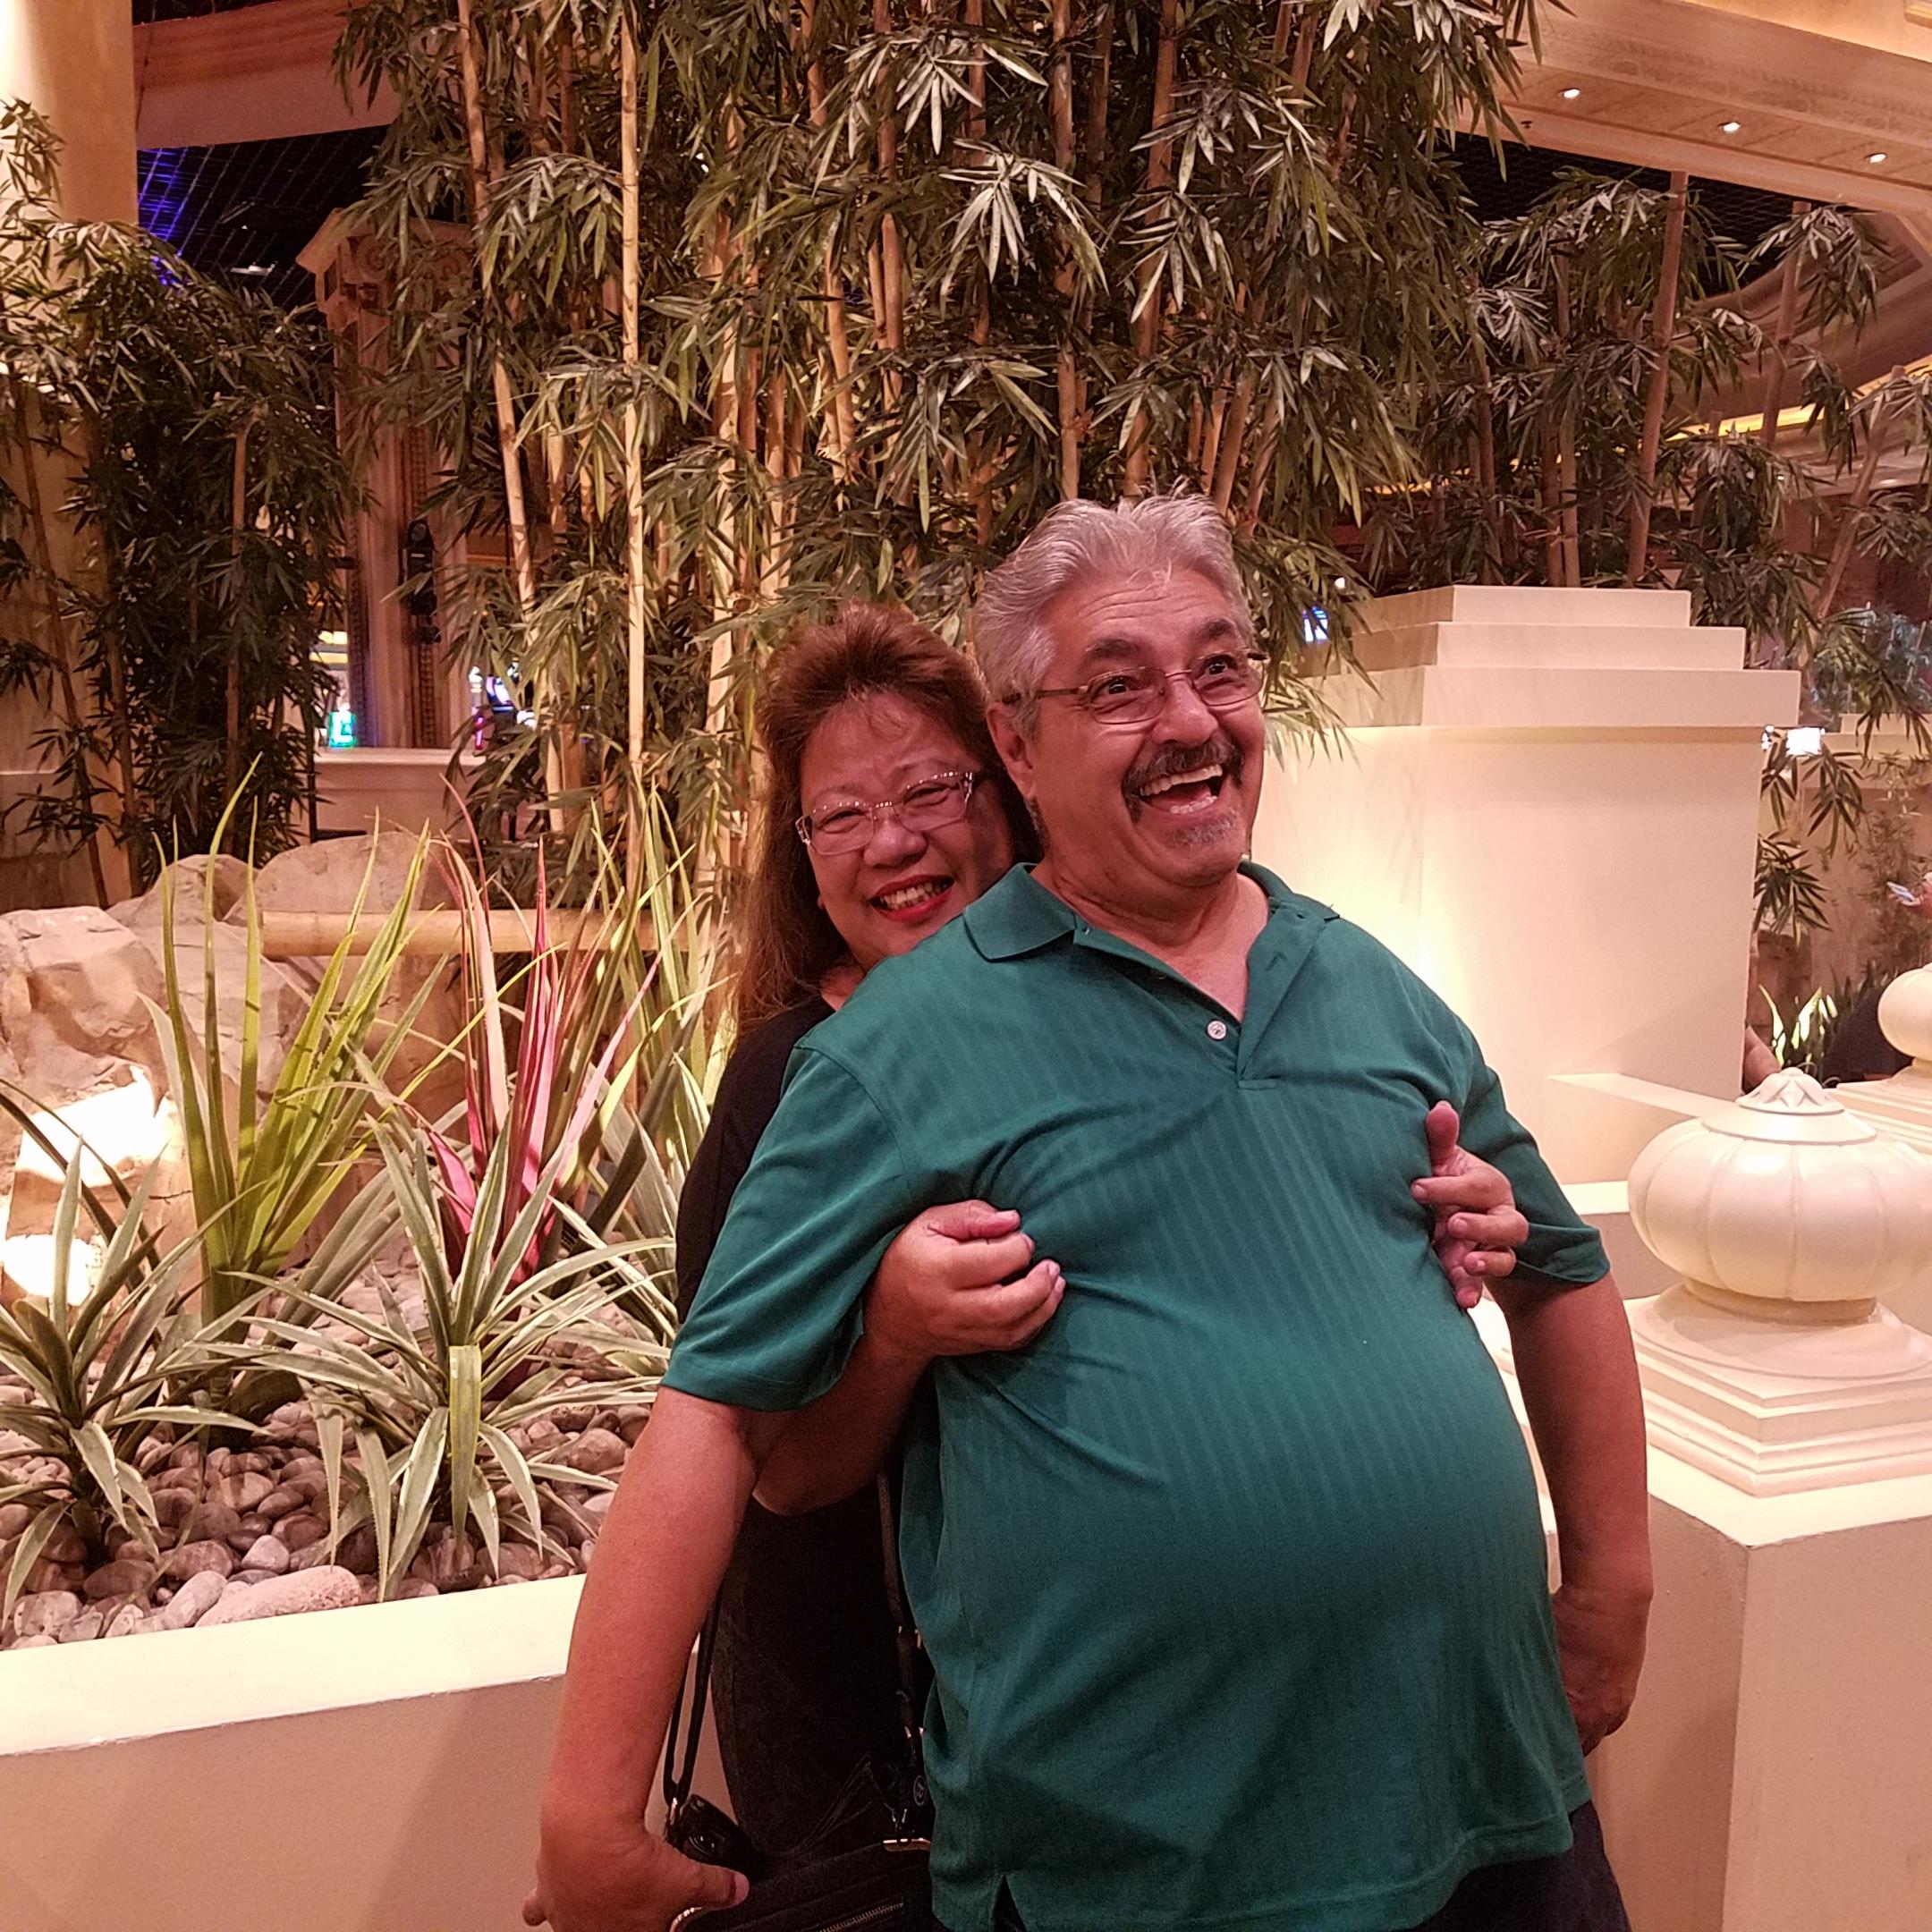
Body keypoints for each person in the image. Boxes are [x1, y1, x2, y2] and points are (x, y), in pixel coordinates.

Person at [529, 503, 1650, 1932]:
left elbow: (1560, 1269)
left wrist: (1609, 1600)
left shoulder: (1370, 984)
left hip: (1491, 1802)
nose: (1188, 719)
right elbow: (718, 1422)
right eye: (1120, 685)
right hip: (1137, 1869)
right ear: (1017, 743)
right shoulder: (898, 1047)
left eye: (1220, 667)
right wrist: (587, 1814)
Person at [670, 603, 1538, 1871]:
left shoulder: (1165, 996)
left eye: (929, 790)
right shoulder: (796, 1079)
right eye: (840, 815)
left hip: (1214, 1748)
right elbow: (759, 1454)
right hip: (887, 1722)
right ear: (800, 854)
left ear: (1014, 780)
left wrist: (1435, 1209)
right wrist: (895, 1334)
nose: (894, 842)